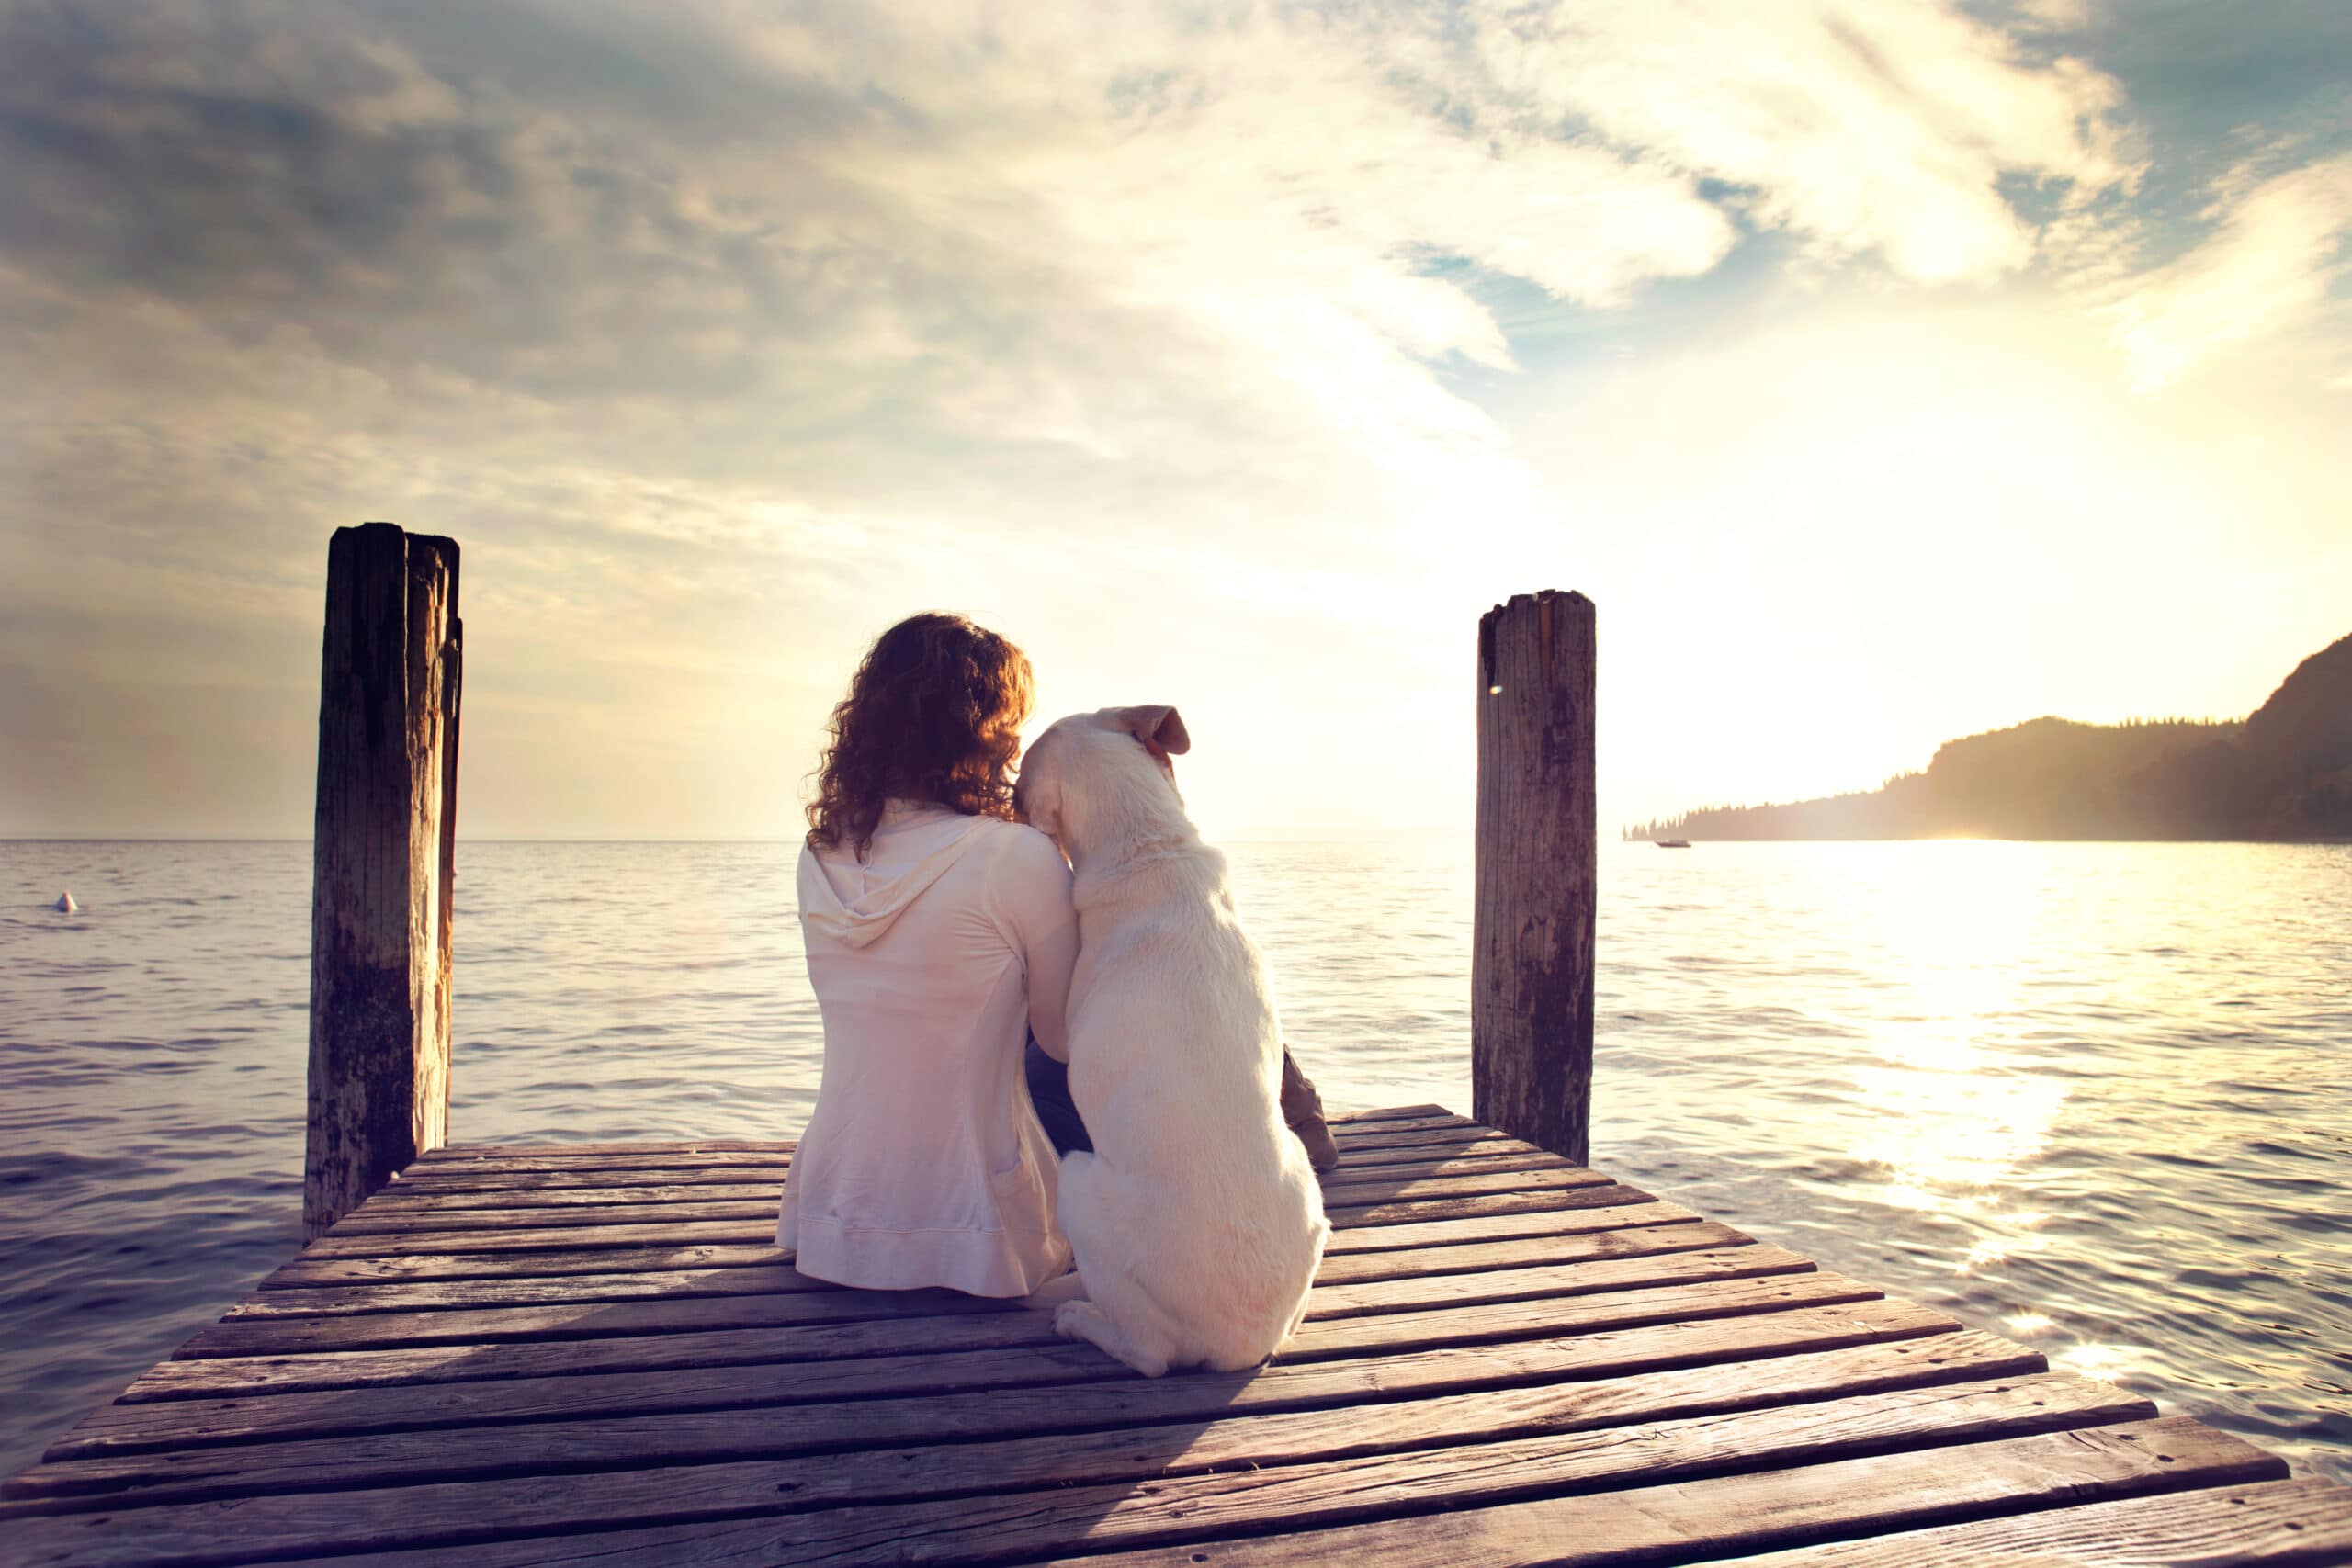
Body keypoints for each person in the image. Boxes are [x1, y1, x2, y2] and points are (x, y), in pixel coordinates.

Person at [778, 613, 1076, 1297]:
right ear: (985, 731)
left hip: (830, 1215)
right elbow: (1062, 1041)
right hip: (979, 1231)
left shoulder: (818, 851)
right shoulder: (1018, 856)